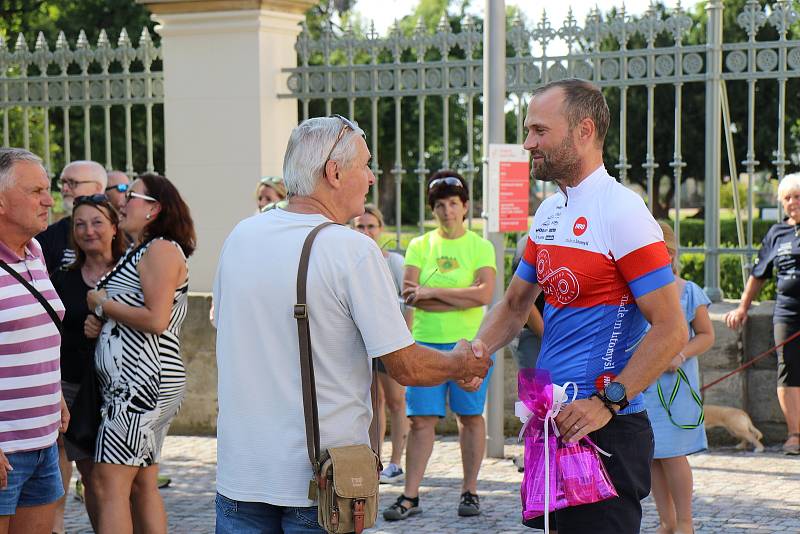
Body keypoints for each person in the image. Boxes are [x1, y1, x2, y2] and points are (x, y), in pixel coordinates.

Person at [212, 116, 492, 534]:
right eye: (365, 165)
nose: (373, 178)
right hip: (318, 481)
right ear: (334, 172)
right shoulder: (351, 250)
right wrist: (460, 363)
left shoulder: (240, 237)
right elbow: (405, 367)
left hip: (240, 476)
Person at [470, 79, 687, 534]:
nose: (528, 143)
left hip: (604, 428)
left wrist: (606, 403)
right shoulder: (549, 212)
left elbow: (671, 327)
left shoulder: (623, 211)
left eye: (538, 131)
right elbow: (513, 307)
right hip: (549, 421)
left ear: (584, 130)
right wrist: (474, 352)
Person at [83, 174, 195, 534]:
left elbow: (156, 319)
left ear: (154, 209)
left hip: (140, 384)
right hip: (135, 383)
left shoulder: (161, 249)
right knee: (141, 483)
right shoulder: (141, 249)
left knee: (107, 483)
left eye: (131, 195)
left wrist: (103, 305)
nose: (121, 202)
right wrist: (103, 322)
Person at [383, 170, 496, 521]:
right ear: (433, 211)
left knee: (471, 417)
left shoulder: (481, 246)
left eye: (453, 203)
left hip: (470, 344)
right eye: (440, 205)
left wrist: (433, 292)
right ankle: (410, 495)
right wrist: (459, 297)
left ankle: (470, 490)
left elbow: (486, 294)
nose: (447, 211)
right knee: (421, 421)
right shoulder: (419, 245)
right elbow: (410, 295)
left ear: (465, 207)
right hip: (427, 344)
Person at [0, 147, 70, 534]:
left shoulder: (35, 251)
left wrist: (53, 393)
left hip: (43, 440)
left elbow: (33, 332)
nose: (49, 200)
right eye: (35, 191)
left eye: (49, 189)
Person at [49, 194, 127, 533]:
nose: (88, 230)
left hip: (119, 391)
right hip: (73, 387)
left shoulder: (132, 271)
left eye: (96, 222)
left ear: (113, 227)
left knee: (116, 480)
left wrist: (106, 323)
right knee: (88, 475)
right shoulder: (63, 277)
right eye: (79, 224)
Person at [643, 222, 713, 534]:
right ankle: (667, 522)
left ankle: (685, 522)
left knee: (673, 455)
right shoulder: (638, 294)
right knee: (654, 456)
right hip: (644, 387)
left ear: (670, 254)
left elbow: (707, 336)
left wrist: (680, 353)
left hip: (675, 388)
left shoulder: (689, 292)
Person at [725, 172, 800, 455]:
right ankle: (794, 434)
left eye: (798, 196)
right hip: (787, 312)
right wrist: (743, 307)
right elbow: (759, 275)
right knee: (788, 370)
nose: (793, 202)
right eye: (788, 198)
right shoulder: (776, 234)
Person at [352, 204, 411, 484]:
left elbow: (408, 302)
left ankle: (396, 461)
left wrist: (406, 339)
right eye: (360, 226)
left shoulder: (394, 262)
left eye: (370, 226)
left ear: (380, 229)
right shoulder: (351, 260)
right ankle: (375, 458)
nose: (366, 231)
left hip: (392, 343)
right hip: (364, 344)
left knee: (397, 402)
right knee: (374, 402)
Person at [36, 161, 107, 274]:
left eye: (72, 183)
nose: (64, 189)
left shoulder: (122, 230)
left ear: (97, 188)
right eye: (63, 182)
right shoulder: (48, 236)